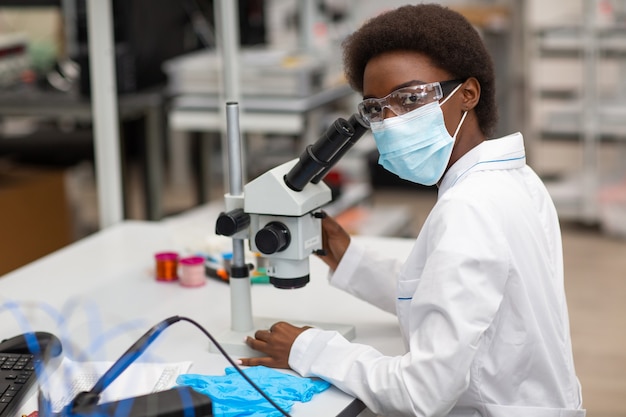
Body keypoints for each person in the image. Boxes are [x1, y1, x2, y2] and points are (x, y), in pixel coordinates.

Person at [240, 4, 585, 416]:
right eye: (375, 107)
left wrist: (309, 348)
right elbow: (452, 293)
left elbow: (421, 393)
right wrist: (348, 257)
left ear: (468, 94)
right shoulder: (515, 181)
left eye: (410, 98)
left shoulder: (468, 209)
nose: (391, 121)